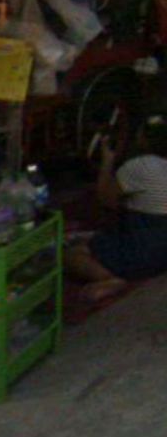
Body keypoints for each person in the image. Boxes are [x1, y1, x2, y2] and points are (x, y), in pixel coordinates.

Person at [65, 114, 167, 301]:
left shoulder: (139, 166)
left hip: (147, 248)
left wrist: (107, 161)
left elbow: (105, 199)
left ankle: (110, 279)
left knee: (72, 255)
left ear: (144, 139)